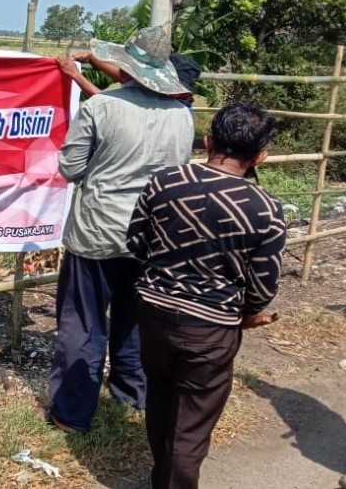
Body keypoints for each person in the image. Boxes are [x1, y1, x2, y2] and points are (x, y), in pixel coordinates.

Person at [128, 103, 286, 489]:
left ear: (209, 140)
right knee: (191, 424)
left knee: (161, 400)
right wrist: (247, 312)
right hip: (211, 328)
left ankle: (162, 474)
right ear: (260, 156)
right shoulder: (266, 210)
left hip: (154, 313)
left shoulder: (163, 183)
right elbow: (263, 286)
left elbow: (135, 243)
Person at [46, 25, 194, 434]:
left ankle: (71, 413)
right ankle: (133, 394)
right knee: (134, 317)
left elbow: (71, 167)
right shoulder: (181, 114)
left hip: (97, 231)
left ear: (124, 68)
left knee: (84, 322)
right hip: (151, 234)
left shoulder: (102, 108)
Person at [57, 47, 202, 108]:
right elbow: (126, 77)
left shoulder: (165, 106)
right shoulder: (180, 102)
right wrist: (92, 59)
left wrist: (75, 75)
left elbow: (107, 103)